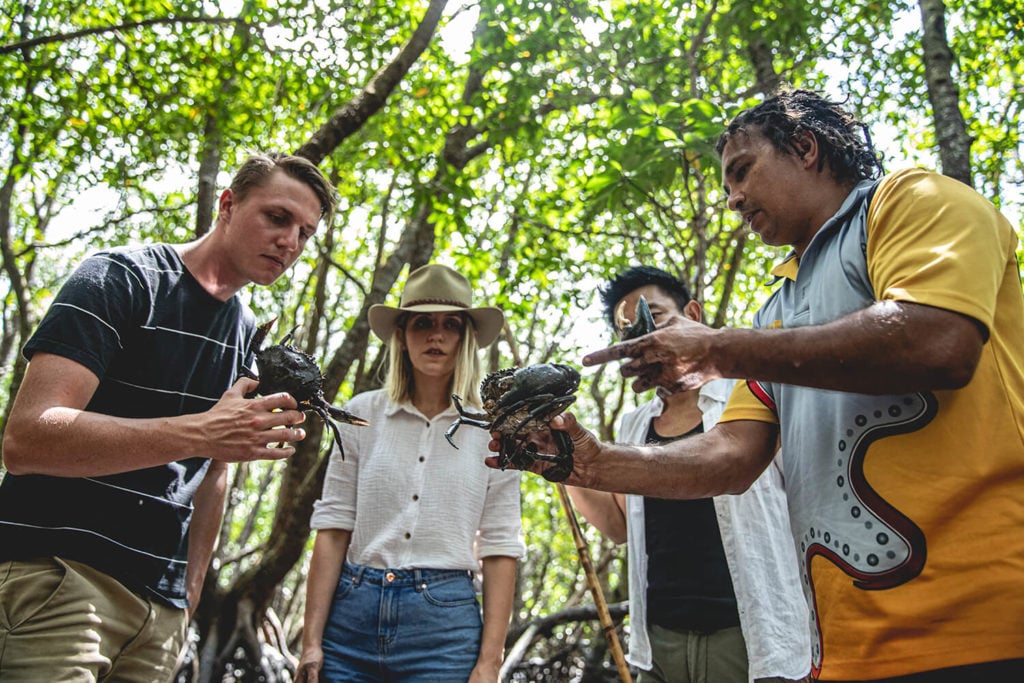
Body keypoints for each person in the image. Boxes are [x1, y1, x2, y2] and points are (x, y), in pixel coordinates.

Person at [491, 89, 1024, 681]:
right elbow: (729, 455)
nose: (733, 198)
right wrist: (588, 463)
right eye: (726, 187)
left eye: (742, 172)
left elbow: (939, 338)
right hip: (847, 649)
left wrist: (717, 348)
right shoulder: (776, 310)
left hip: (987, 625)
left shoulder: (913, 201)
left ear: (805, 146)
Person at [0, 151, 336, 682]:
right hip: (60, 583)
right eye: (277, 218)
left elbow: (215, 473)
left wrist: (187, 602)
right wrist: (201, 432)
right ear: (227, 205)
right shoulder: (121, 279)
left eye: (305, 233)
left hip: (160, 616)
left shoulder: (247, 335)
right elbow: (27, 439)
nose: (290, 242)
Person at [567, 265, 810, 683]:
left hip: (754, 637)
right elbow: (621, 526)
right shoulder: (634, 425)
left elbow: (806, 499)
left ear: (693, 316)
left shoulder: (753, 393)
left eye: (654, 316)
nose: (641, 335)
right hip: (659, 645)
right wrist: (563, 463)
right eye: (627, 329)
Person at [297, 263, 525, 683]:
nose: (435, 335)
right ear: (401, 336)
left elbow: (500, 545)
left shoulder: (496, 432)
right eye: (422, 323)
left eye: (450, 324)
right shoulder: (362, 414)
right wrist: (311, 641)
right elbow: (333, 525)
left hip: (444, 630)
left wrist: (489, 663)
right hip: (350, 622)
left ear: (466, 339)